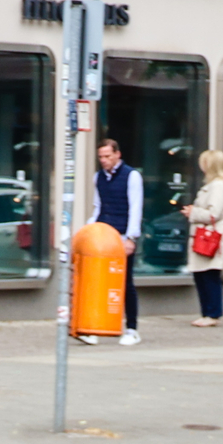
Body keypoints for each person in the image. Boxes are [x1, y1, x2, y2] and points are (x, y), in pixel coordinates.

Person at [87, 136, 141, 345]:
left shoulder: (132, 176)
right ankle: (94, 326)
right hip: (103, 234)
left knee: (126, 282)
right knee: (98, 280)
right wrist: (89, 228)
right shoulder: (98, 177)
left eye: (107, 156)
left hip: (121, 234)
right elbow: (98, 206)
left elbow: (135, 208)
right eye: (101, 157)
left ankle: (132, 328)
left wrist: (131, 237)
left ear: (117, 155)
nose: (104, 160)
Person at [184, 149, 223, 326]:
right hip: (206, 237)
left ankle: (212, 314)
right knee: (202, 275)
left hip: (210, 239)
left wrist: (193, 212)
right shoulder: (215, 185)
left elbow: (214, 213)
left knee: (208, 276)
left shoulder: (218, 186)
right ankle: (207, 312)